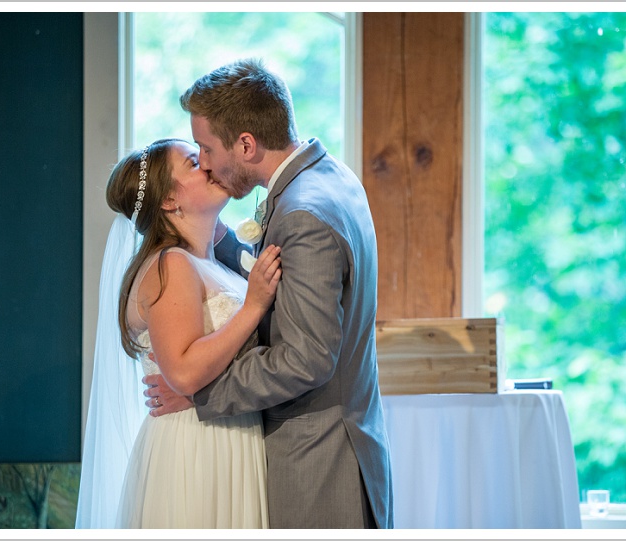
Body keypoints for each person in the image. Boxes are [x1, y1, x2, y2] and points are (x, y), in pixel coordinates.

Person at [143, 58, 394, 529]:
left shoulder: (302, 213)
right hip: (341, 444)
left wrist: (201, 392)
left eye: (207, 148)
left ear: (246, 143)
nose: (208, 164)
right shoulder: (330, 177)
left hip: (319, 463)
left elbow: (305, 358)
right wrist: (219, 242)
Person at [75, 137, 282, 528]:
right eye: (192, 162)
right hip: (197, 449)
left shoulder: (210, 264)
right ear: (169, 201)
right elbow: (183, 372)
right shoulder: (172, 265)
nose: (207, 163)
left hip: (229, 437)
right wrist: (253, 305)